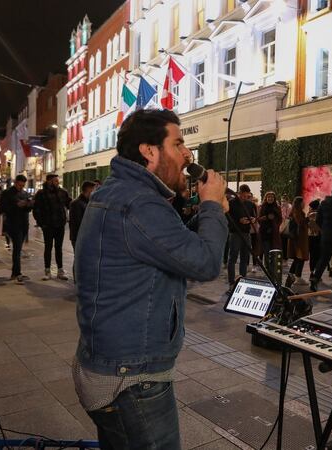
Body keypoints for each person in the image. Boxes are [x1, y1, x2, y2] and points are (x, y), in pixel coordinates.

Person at [73, 109, 228, 449]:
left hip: (115, 364)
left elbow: (169, 247)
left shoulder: (121, 193)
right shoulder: (139, 203)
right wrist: (213, 206)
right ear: (149, 151)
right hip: (132, 377)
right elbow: (204, 263)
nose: (188, 154)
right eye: (179, 143)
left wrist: (205, 211)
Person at [33, 173, 71, 281]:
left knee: (59, 248)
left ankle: (60, 270)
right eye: (55, 181)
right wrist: (41, 223)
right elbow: (36, 209)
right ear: (49, 181)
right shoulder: (41, 193)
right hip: (48, 225)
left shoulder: (63, 192)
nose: (57, 183)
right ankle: (47, 270)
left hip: (60, 225)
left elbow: (69, 204)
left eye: (57, 181)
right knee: (48, 247)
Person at [0, 175, 33, 284]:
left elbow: (29, 209)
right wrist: (17, 205)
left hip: (24, 223)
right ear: (15, 182)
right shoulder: (7, 193)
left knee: (18, 248)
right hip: (13, 224)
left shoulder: (25, 193)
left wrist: (29, 204)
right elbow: (3, 208)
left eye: (23, 185)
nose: (21, 187)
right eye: (19, 185)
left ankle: (15, 272)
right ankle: (17, 273)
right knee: (17, 248)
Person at [226, 184, 255, 285]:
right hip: (235, 233)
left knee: (244, 257)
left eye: (246, 194)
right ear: (238, 193)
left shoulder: (250, 204)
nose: (244, 196)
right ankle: (231, 281)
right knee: (233, 257)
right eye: (242, 194)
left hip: (246, 233)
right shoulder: (231, 203)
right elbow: (227, 218)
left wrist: (252, 219)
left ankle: (243, 279)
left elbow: (253, 215)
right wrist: (239, 221)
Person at [287, 196, 309, 284]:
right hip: (298, 241)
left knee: (298, 259)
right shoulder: (297, 214)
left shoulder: (297, 213)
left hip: (297, 240)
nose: (304, 204)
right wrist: (307, 220)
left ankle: (292, 275)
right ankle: (298, 277)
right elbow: (299, 225)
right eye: (303, 203)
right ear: (299, 204)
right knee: (300, 258)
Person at [258, 191, 283, 267]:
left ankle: (273, 266)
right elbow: (259, 219)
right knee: (266, 250)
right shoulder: (262, 207)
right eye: (268, 197)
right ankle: (267, 266)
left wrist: (274, 221)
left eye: (272, 197)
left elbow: (280, 219)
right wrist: (265, 218)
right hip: (264, 232)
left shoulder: (277, 207)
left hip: (274, 232)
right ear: (266, 198)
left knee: (274, 249)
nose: (270, 198)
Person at [69, 181, 96, 250]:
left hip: (85, 237)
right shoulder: (76, 203)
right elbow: (78, 222)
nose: (95, 192)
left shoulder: (88, 203)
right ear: (89, 190)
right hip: (79, 238)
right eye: (94, 190)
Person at [307, 199, 321, 276]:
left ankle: (312, 271)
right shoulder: (316, 214)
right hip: (317, 237)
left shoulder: (310, 214)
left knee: (312, 255)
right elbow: (314, 227)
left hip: (310, 237)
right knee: (317, 255)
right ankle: (315, 271)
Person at [280, 194, 292, 260]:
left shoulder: (289, 207)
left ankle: (285, 257)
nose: (283, 202)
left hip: (286, 225)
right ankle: (283, 257)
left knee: (285, 242)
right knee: (282, 242)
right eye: (282, 201)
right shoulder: (281, 207)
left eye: (284, 201)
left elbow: (287, 217)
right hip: (281, 226)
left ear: (287, 201)